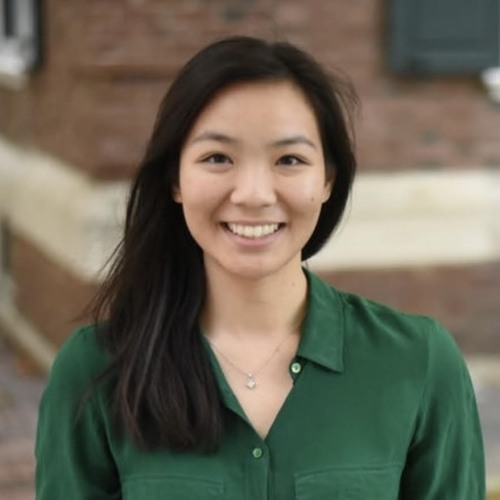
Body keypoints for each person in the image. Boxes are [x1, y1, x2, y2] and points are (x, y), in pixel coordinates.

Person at [35, 36, 485, 499]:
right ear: (175, 179)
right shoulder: (94, 370)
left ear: (328, 180)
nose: (253, 194)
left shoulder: (418, 363)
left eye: (289, 160)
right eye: (217, 158)